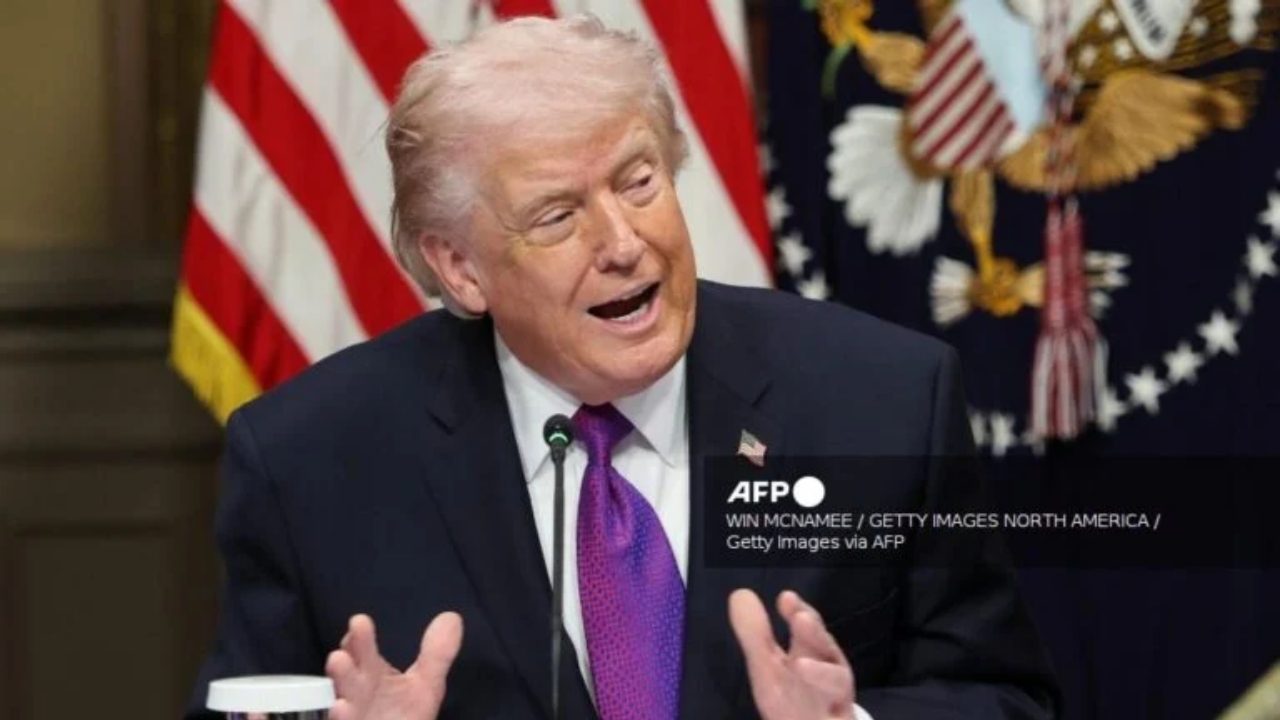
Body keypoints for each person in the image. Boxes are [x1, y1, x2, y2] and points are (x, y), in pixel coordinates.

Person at [185, 13, 1059, 720]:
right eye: (558, 216)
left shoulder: (881, 401)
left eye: (639, 181)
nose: (624, 243)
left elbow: (1003, 697)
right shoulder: (312, 459)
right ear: (459, 268)